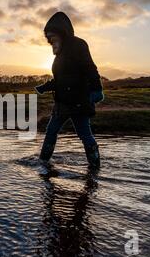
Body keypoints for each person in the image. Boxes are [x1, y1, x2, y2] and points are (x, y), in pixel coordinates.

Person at [35, 12, 104, 169]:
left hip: (78, 100)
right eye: (48, 37)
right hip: (62, 102)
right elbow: (61, 79)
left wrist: (97, 89)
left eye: (53, 36)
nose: (50, 40)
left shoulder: (79, 45)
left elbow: (90, 68)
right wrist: (44, 87)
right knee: (51, 131)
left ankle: (95, 168)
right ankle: (43, 162)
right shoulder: (59, 54)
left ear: (62, 32)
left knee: (84, 134)